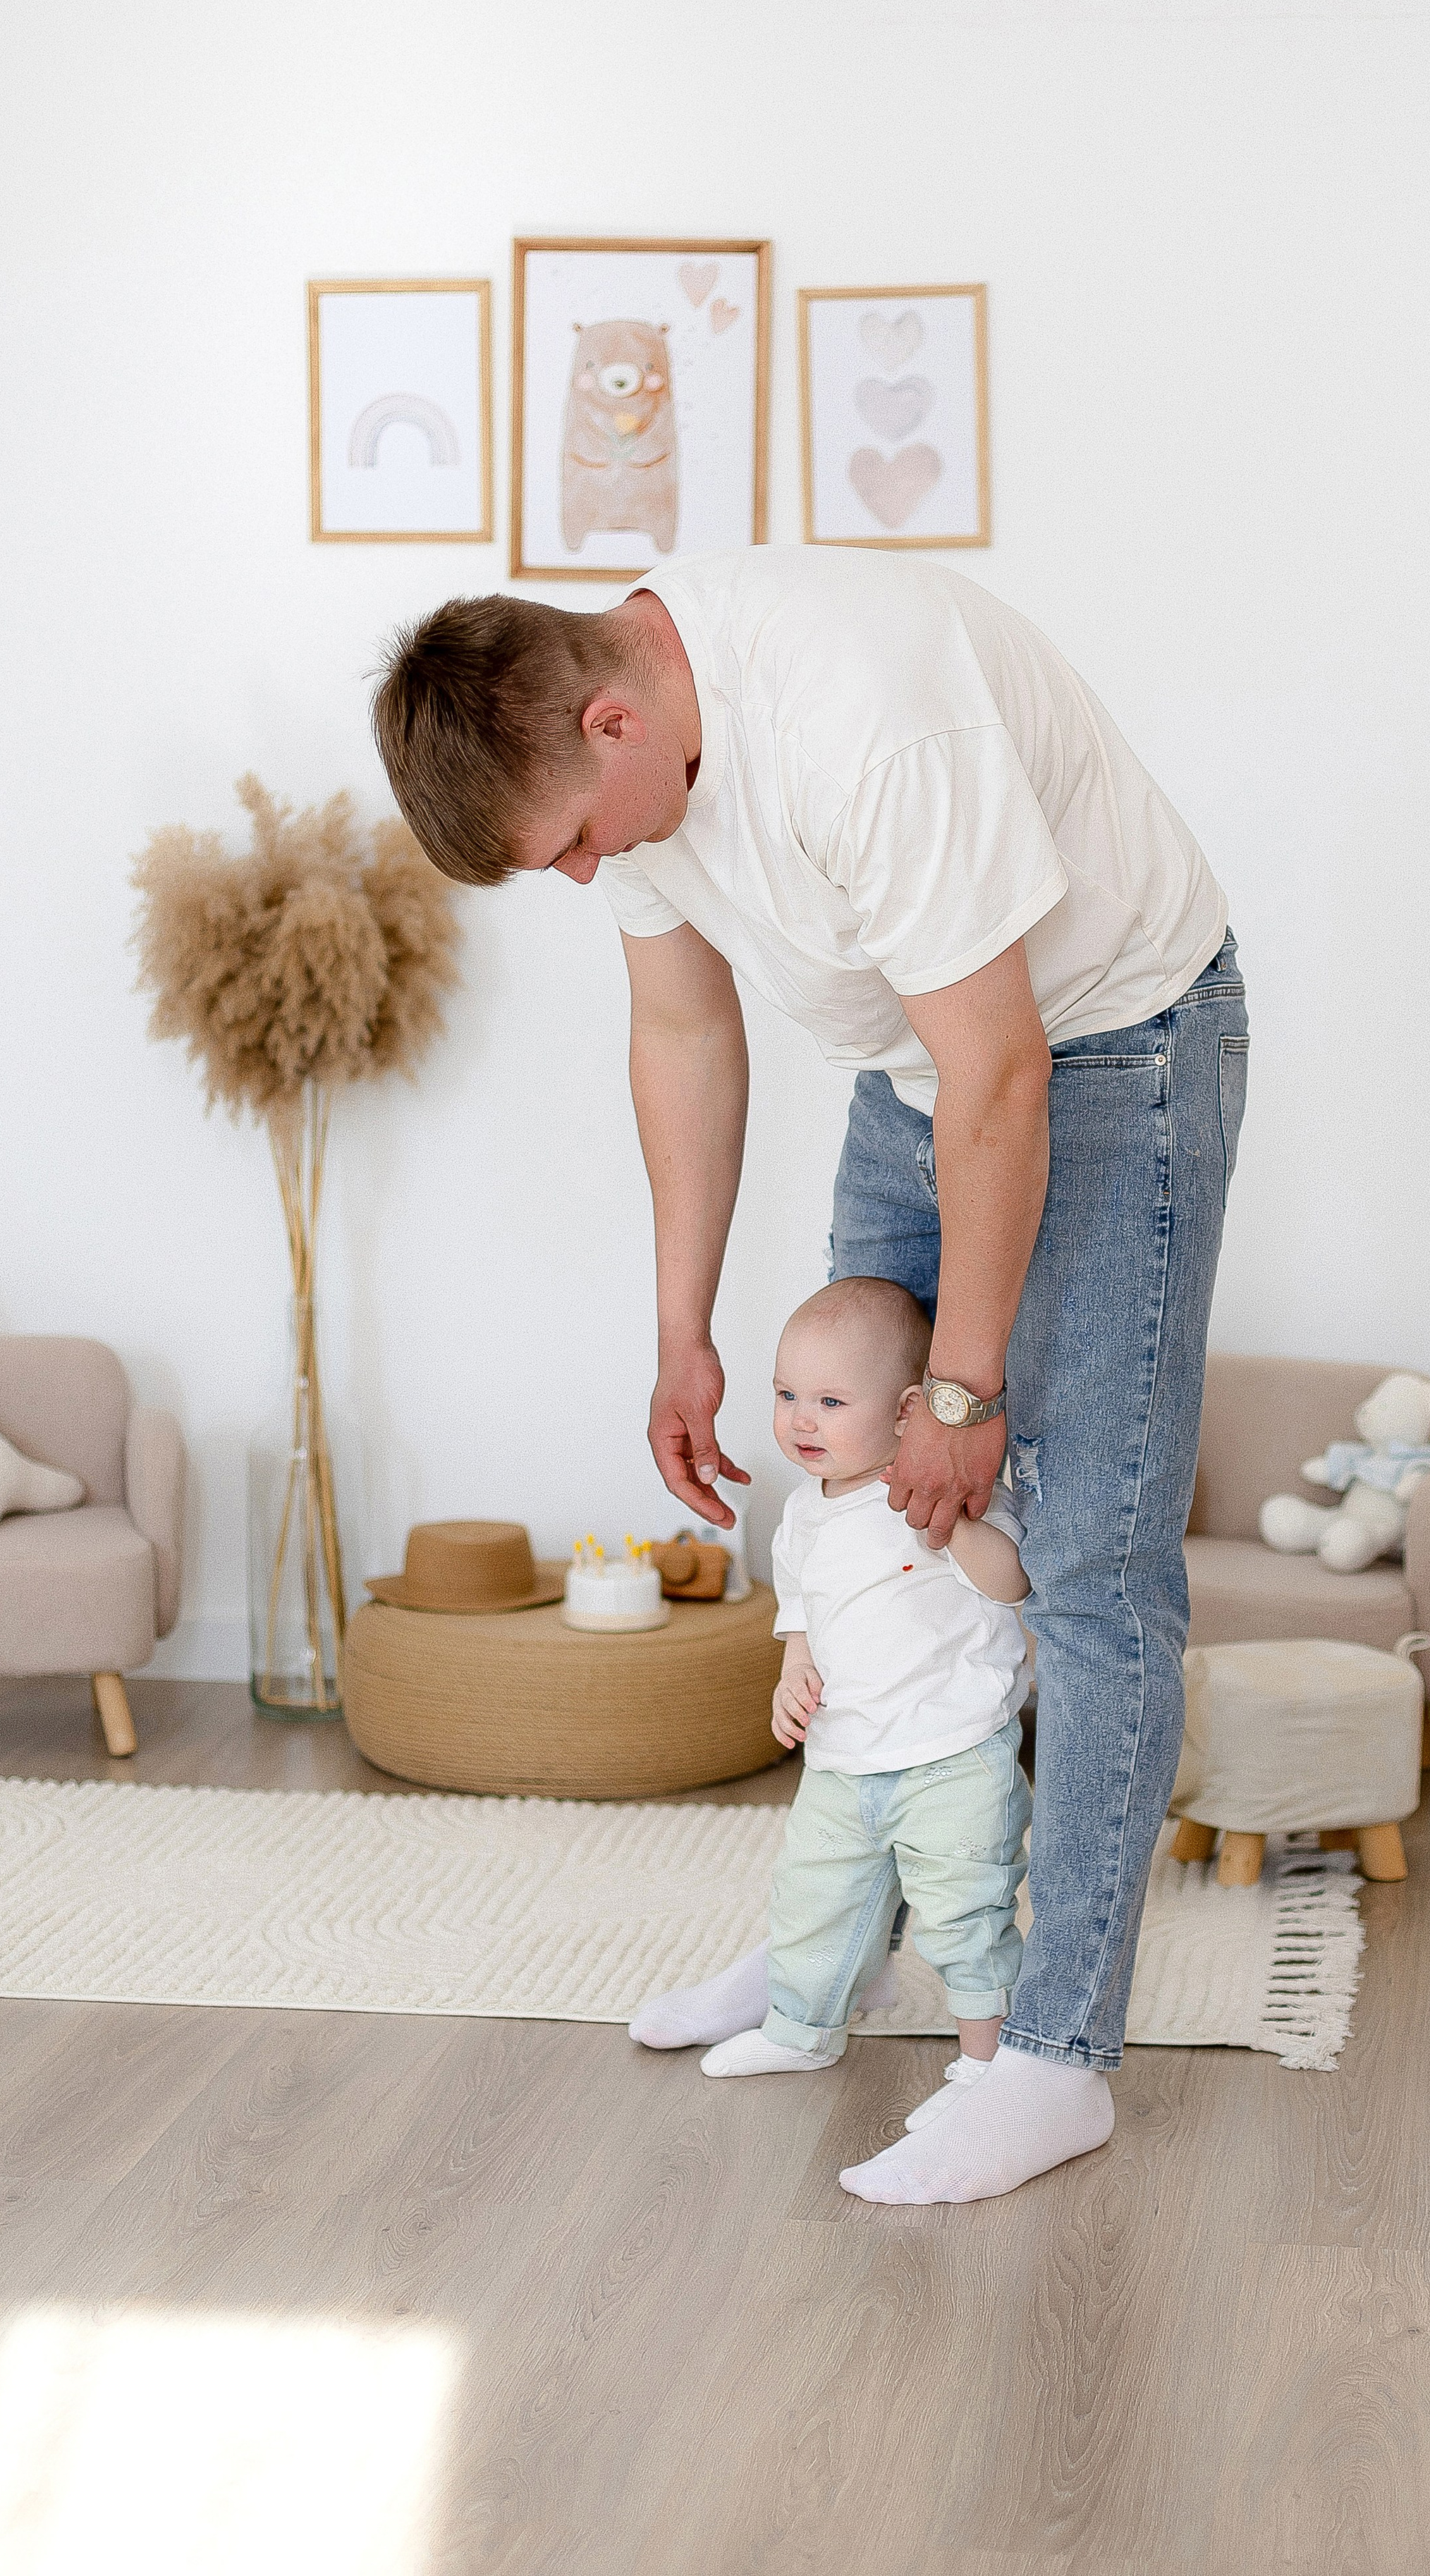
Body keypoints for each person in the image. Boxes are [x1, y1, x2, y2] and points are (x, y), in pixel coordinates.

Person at [372, 544, 1247, 2205]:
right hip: (918, 1072)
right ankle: (826, 1958)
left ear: (615, 720)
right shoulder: (624, 758)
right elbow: (682, 1031)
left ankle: (1052, 2059)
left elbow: (1007, 1073)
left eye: (572, 843)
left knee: (1084, 1566)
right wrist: (680, 1331)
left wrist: (962, 1393)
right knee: (859, 1508)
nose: (586, 873)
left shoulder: (860, 714)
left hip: (1109, 1047)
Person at [633, 1275, 1035, 2125]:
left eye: (828, 1401)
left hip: (951, 1752)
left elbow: (1011, 1583)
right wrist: (793, 1671)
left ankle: (985, 2063)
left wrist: (952, 1526)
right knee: (812, 1901)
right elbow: (803, 1609)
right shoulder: (802, 1513)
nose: (800, 1421)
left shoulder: (939, 1492)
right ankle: (801, 2029)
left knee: (964, 1912)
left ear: (907, 1412)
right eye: (786, 1396)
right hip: (843, 1758)